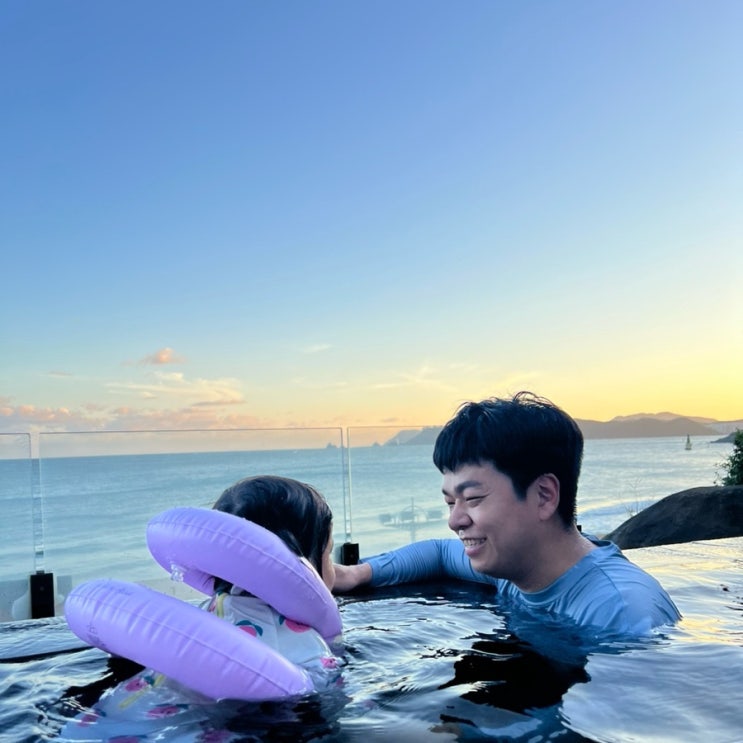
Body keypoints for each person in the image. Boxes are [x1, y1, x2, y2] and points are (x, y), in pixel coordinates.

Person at [334, 392, 681, 641]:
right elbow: (438, 553)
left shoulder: (622, 615)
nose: (455, 521)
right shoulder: (515, 568)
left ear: (544, 495)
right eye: (450, 502)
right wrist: (353, 574)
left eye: (472, 498)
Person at [61, 475, 341, 741]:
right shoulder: (301, 641)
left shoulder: (209, 614)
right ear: (303, 564)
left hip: (109, 720)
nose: (332, 566)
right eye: (328, 553)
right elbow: (323, 697)